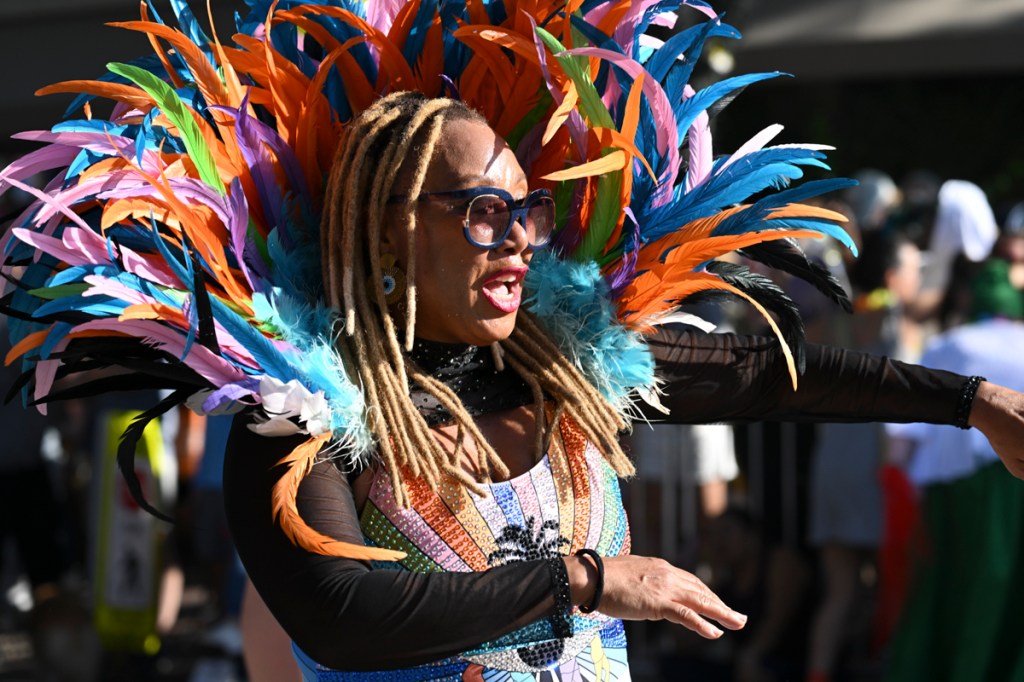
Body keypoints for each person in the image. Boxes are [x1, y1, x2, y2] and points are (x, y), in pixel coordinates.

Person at [5, 2, 1024, 681]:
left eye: (526, 210)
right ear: (394, 228)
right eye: (480, 211)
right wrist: (583, 582)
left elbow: (768, 376)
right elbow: (336, 611)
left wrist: (969, 402)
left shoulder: (564, 368)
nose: (517, 239)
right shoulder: (303, 416)